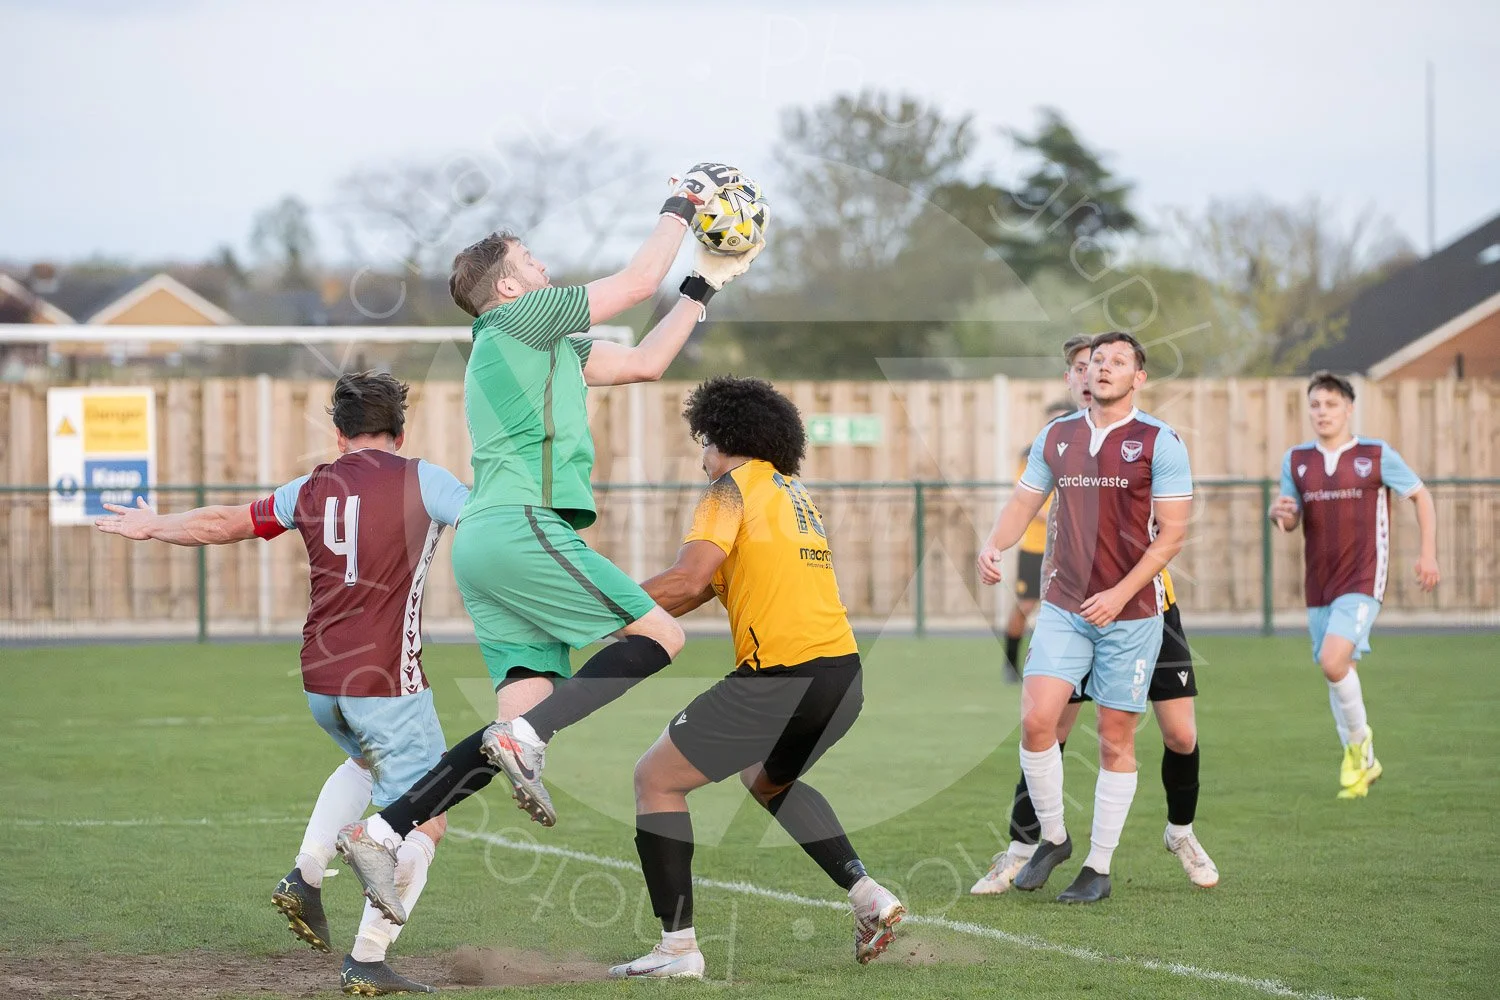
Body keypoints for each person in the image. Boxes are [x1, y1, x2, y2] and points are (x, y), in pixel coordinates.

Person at [336, 164, 764, 922]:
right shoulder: (515, 322)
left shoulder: (550, 347)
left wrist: (702, 286)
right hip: (521, 522)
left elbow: (644, 362)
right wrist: (685, 201)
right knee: (661, 635)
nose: (543, 268)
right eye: (530, 261)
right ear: (507, 288)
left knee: (514, 725)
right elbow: (635, 282)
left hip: (494, 542)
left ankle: (380, 828)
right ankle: (523, 741)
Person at [95, 372, 465, 996]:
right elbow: (490, 529)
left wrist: (154, 524)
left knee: (367, 765)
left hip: (322, 678)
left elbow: (226, 522)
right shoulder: (425, 479)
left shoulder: (312, 486)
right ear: (400, 434)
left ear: (338, 434)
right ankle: (368, 960)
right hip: (385, 678)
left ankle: (306, 873)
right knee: (428, 818)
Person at [598, 375, 902, 978]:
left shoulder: (728, 489)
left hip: (780, 679)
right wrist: (630, 617)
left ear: (723, 437)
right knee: (766, 780)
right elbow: (703, 589)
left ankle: (677, 949)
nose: (701, 455)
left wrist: (593, 609)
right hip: (842, 679)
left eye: (703, 441)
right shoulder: (790, 491)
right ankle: (868, 895)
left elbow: (686, 580)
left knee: (655, 780)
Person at [974, 334, 1217, 895]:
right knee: (1040, 721)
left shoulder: (1160, 441)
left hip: (1136, 608)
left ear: (1140, 377)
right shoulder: (1056, 436)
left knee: (1147, 735)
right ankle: (1042, 840)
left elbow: (1173, 534)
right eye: (1094, 362)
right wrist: (994, 544)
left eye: (1115, 362)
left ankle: (1121, 857)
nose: (1101, 370)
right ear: (1078, 376)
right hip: (1065, 604)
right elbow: (1022, 503)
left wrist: (1119, 593)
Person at [1268, 371, 1440, 799]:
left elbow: (1421, 495)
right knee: (1339, 672)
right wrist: (1281, 513)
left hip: (1363, 578)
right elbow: (1290, 521)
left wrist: (1428, 553)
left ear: (1348, 408)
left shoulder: (1375, 454)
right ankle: (1363, 766)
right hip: (1319, 583)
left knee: (1332, 660)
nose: (1321, 412)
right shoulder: (1296, 460)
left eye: (1330, 404)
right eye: (1315, 405)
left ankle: (1360, 748)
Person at [1002, 398, 1077, 683]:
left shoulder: (1085, 455)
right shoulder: (1032, 454)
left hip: (1071, 551)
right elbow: (1028, 502)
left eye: (1062, 420)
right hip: (1036, 547)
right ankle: (1010, 662)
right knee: (1026, 604)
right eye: (1051, 421)